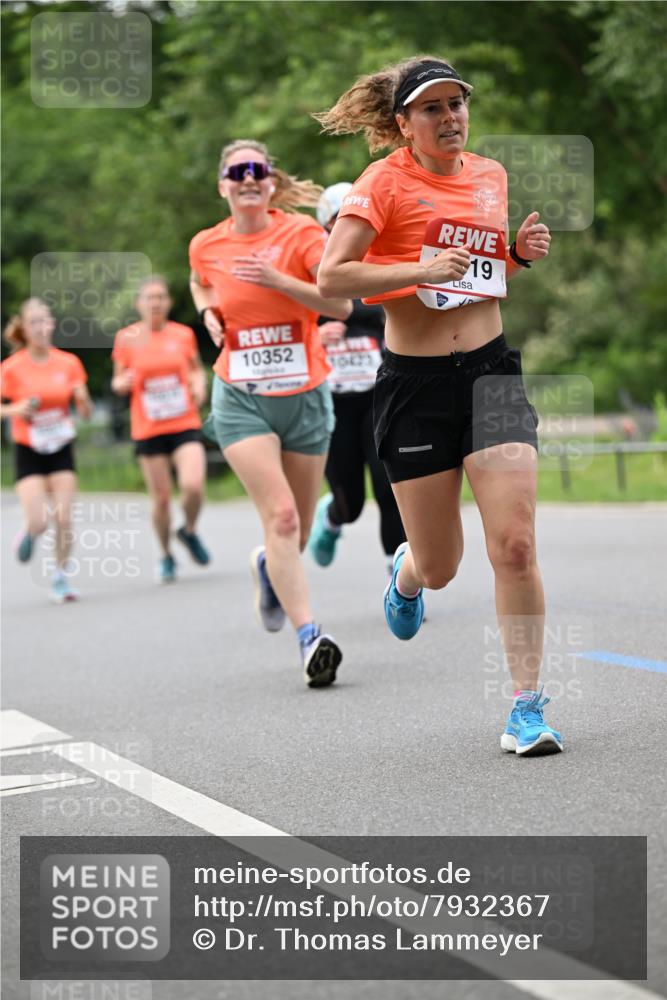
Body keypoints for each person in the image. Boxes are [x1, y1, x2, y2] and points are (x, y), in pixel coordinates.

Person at [315, 56, 562, 754]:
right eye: (432, 108)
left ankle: (526, 708)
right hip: (415, 385)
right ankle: (406, 575)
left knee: (514, 544)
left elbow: (479, 272)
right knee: (441, 565)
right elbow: (333, 276)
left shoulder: (489, 175)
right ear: (404, 123)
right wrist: (416, 270)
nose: (450, 117)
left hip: (491, 375)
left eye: (457, 103)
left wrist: (516, 255)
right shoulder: (381, 184)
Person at [189, 139, 352, 687]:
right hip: (241, 397)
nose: (248, 178)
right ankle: (310, 637)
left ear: (271, 181)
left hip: (305, 396)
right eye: (237, 171)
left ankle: (268, 565)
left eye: (257, 169)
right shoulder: (206, 244)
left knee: (296, 534)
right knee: (280, 518)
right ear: (223, 186)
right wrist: (207, 312)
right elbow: (198, 280)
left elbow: (339, 305)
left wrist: (278, 281)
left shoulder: (301, 235)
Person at [309, 182, 406, 575]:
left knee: (389, 488)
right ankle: (332, 519)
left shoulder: (381, 263)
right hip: (333, 402)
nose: (350, 227)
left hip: (379, 397)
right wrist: (315, 336)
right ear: (325, 228)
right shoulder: (314, 272)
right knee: (350, 503)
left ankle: (398, 579)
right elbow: (292, 323)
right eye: (339, 221)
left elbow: (392, 313)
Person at [112, 275, 210, 582]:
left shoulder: (183, 335)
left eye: (160, 297)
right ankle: (166, 555)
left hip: (184, 422)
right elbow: (117, 380)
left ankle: (189, 531)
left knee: (193, 485)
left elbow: (196, 371)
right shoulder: (127, 338)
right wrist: (122, 383)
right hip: (149, 428)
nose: (155, 303)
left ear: (168, 302)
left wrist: (199, 385)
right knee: (162, 498)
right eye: (149, 298)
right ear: (138, 304)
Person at [1, 297, 92, 603]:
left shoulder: (69, 363)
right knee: (40, 520)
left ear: (52, 325)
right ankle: (29, 532)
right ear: (24, 329)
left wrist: (83, 399)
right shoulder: (11, 368)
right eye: (34, 323)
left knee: (64, 518)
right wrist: (15, 410)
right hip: (29, 448)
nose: (40, 328)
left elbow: (87, 414)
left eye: (44, 321)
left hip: (61, 446)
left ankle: (61, 578)